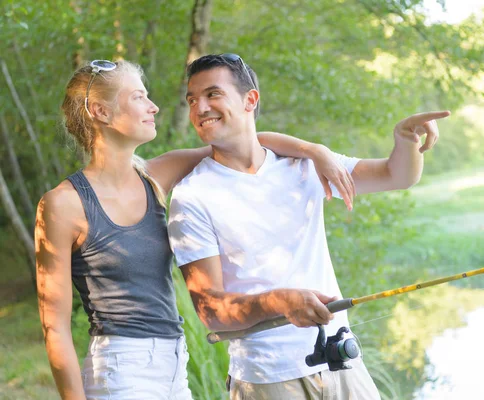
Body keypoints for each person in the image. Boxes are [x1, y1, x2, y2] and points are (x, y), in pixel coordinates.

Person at [34, 59, 356, 400]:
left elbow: (245, 138)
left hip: (175, 364)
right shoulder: (62, 204)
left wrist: (315, 151)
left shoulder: (154, 176)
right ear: (101, 112)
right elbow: (55, 327)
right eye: (139, 97)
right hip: (119, 368)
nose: (153, 106)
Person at [167, 53, 450, 399]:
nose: (200, 108)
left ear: (250, 100)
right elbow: (210, 309)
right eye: (192, 100)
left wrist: (406, 140)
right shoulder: (191, 196)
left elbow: (398, 175)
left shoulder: (305, 166)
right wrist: (278, 301)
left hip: (342, 361)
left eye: (213, 94)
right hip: (267, 379)